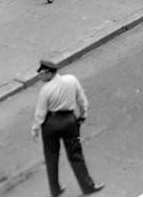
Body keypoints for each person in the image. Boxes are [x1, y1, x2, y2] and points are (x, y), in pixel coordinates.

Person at [31, 59, 104, 197]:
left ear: (48, 73)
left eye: (41, 73)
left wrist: (35, 129)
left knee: (51, 157)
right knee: (76, 154)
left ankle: (55, 189)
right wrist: (82, 116)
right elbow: (82, 101)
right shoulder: (71, 80)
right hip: (69, 121)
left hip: (51, 124)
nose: (39, 76)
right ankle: (87, 186)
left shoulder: (45, 90)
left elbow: (40, 113)